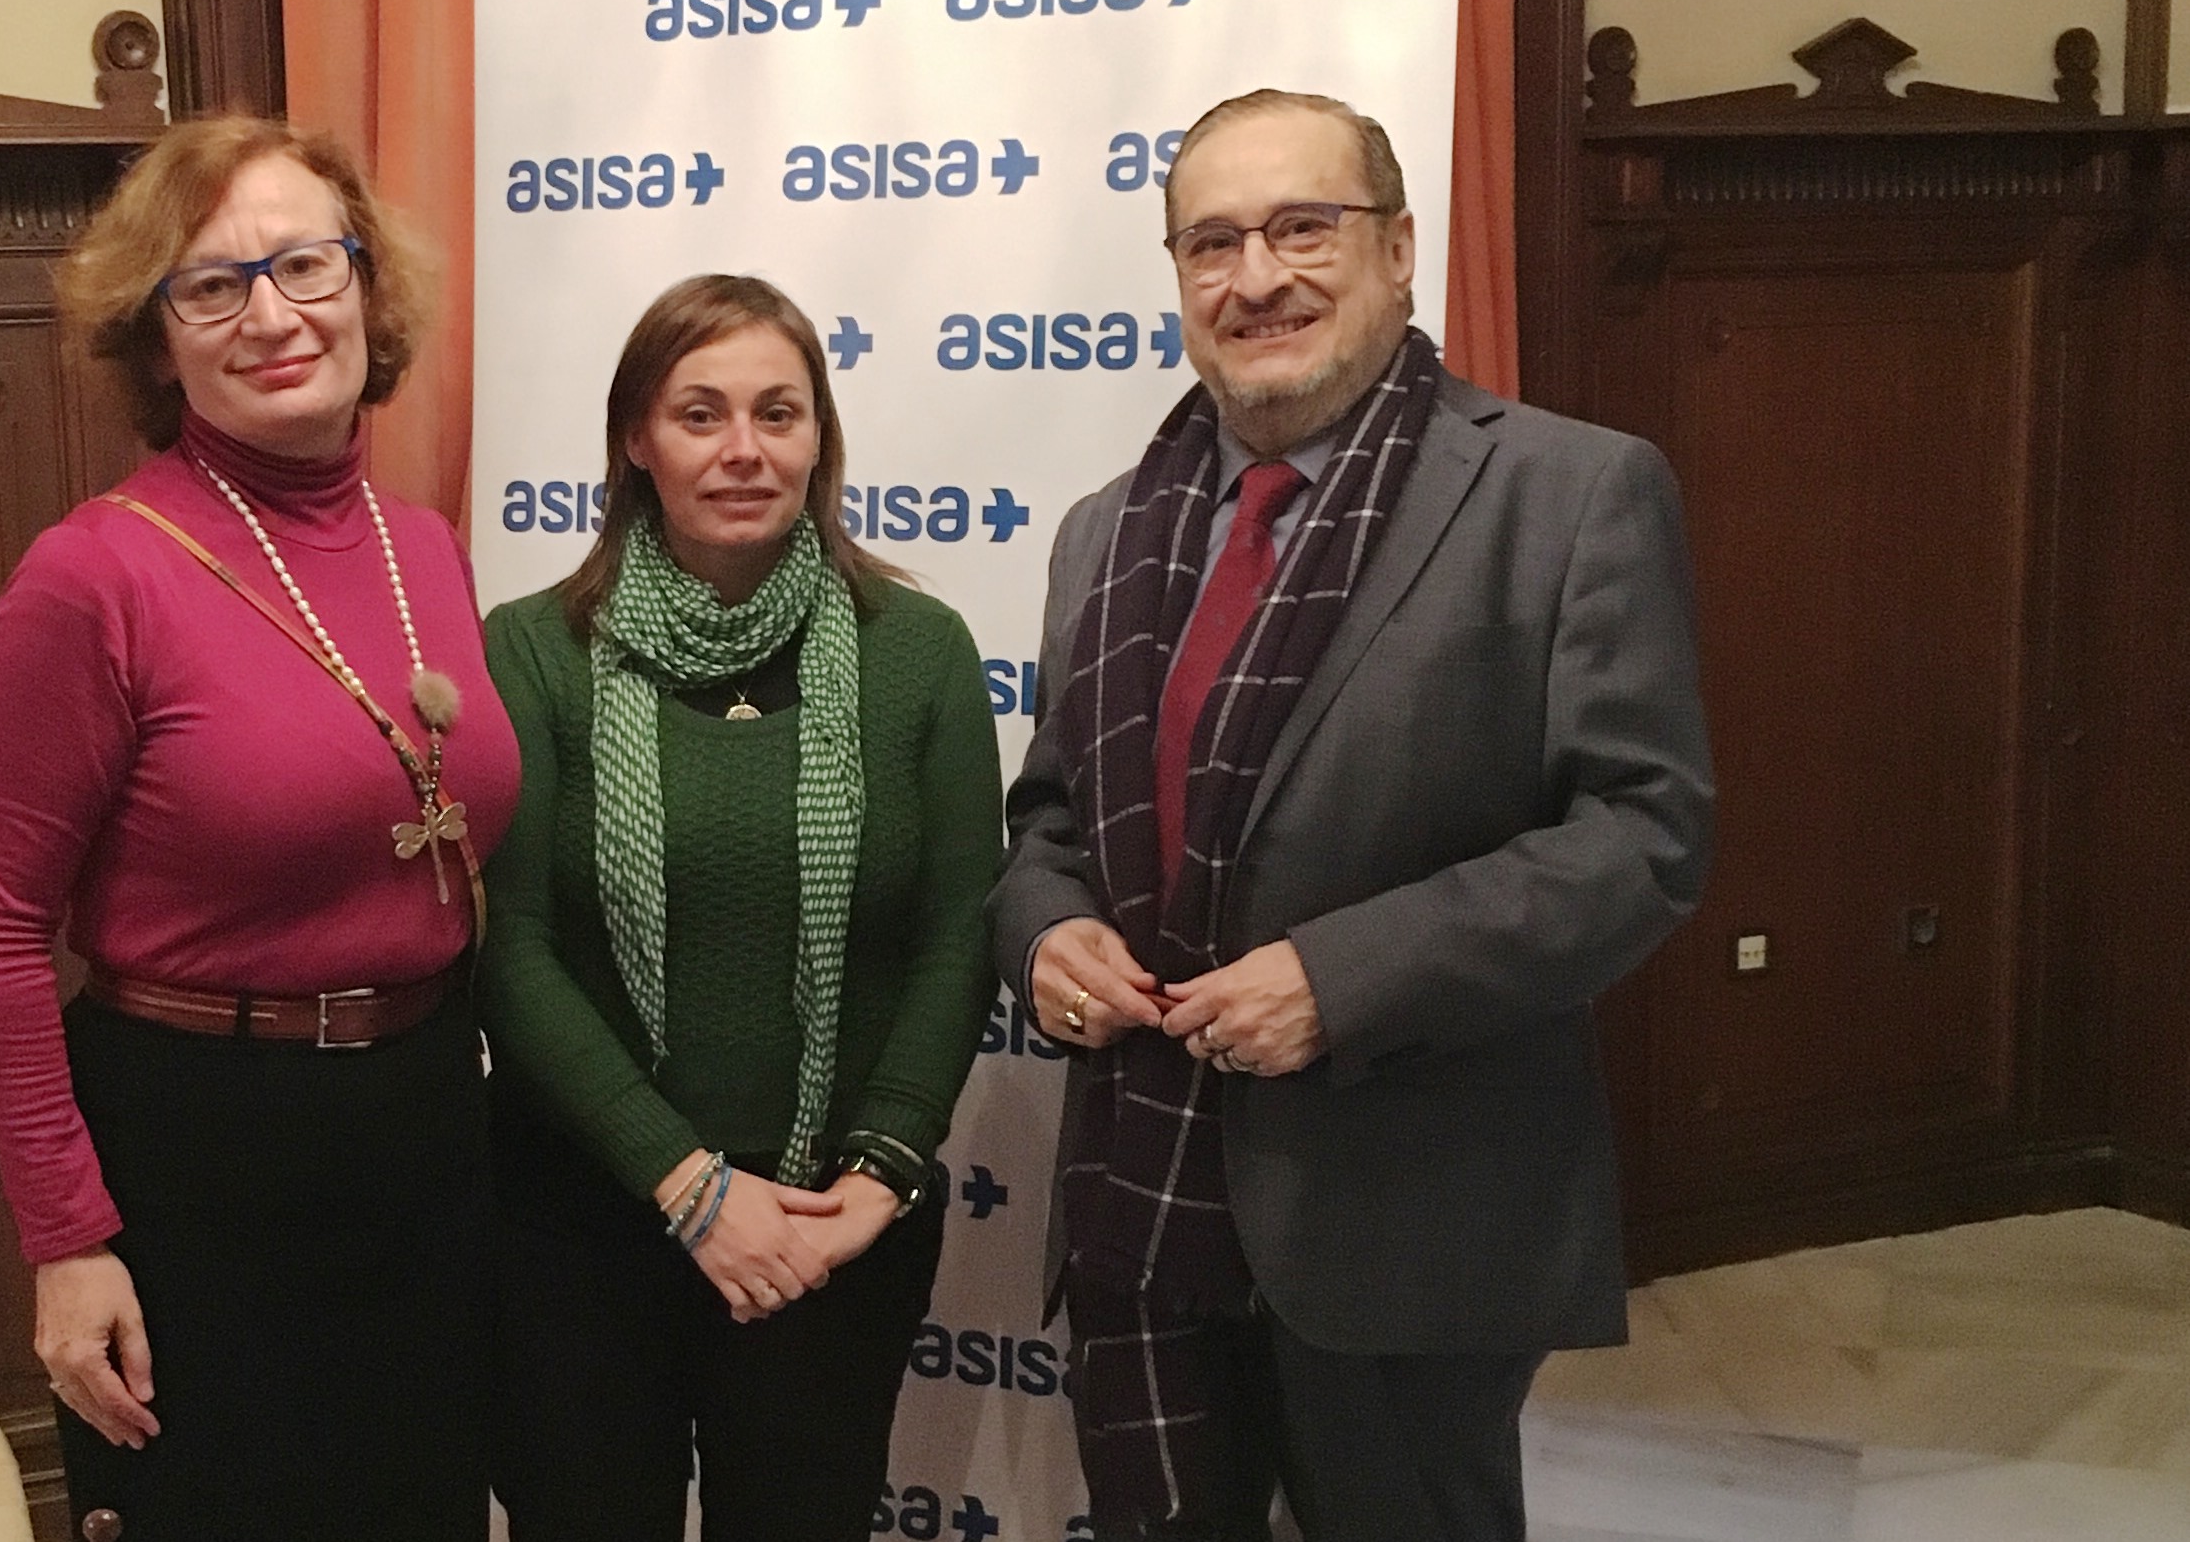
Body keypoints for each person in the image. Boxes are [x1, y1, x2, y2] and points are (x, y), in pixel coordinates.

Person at [990, 90, 1713, 1542]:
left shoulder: (1568, 492)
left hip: (1409, 1227)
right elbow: (1052, 819)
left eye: (1301, 228)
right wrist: (1046, 931)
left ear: (1396, 249)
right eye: (1212, 242)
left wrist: (1343, 980)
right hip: (1141, 1206)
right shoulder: (1100, 531)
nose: (1255, 277)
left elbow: (1642, 834)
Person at [0, 117, 519, 1542]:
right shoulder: (92, 580)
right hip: (197, 1158)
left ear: (366, 287)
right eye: (211, 286)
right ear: (156, 341)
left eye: (305, 265)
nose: (272, 316)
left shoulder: (424, 548)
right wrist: (67, 1240)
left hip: (425, 1128)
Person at [479, 273, 1003, 1542]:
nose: (743, 449)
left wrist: (880, 1174)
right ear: (635, 439)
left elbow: (955, 932)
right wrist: (686, 1185)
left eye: (778, 412)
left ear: (819, 436)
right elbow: (510, 947)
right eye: (699, 413)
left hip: (828, 1230)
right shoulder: (532, 649)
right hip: (584, 1221)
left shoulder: (918, 650)